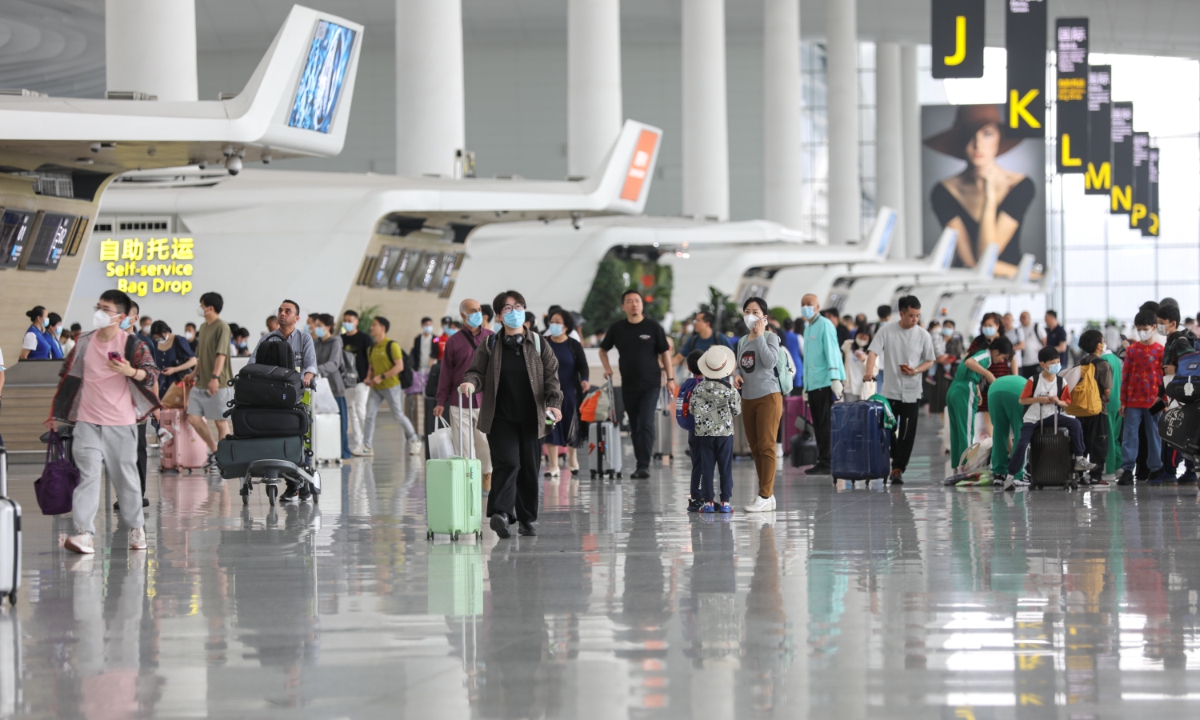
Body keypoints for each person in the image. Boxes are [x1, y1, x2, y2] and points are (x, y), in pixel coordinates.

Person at [50, 289, 160, 554]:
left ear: (121, 316)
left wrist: (129, 370)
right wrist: (57, 412)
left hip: (120, 423)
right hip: (87, 422)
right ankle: (85, 533)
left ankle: (136, 527)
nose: (99, 313)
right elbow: (67, 374)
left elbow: (151, 374)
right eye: (98, 307)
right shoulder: (84, 341)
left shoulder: (132, 343)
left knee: (126, 479)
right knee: (87, 476)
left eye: (106, 309)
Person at [460, 290, 563, 539]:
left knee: (528, 468)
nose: (514, 312)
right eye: (507, 308)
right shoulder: (490, 344)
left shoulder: (539, 344)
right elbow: (476, 371)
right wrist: (470, 383)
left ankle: (526, 519)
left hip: (532, 418)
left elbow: (552, 378)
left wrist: (554, 403)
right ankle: (502, 514)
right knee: (508, 464)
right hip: (500, 417)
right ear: (498, 316)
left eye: (518, 307)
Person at [924, 103, 1035, 277]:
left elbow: (987, 256)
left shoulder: (1020, 186)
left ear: (999, 137)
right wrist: (990, 197)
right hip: (967, 287)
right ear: (960, 141)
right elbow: (979, 262)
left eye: (987, 134)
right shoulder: (943, 192)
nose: (978, 144)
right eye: (969, 135)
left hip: (1012, 290)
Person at [599, 290, 675, 480]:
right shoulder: (617, 328)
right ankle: (640, 462)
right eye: (629, 301)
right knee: (634, 425)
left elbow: (665, 353)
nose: (634, 304)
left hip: (651, 383)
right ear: (623, 306)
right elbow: (603, 350)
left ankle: (644, 465)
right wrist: (607, 368)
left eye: (637, 301)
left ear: (642, 305)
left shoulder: (653, 327)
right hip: (629, 385)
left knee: (645, 422)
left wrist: (671, 379)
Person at [994, 347, 1095, 486]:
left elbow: (1066, 402)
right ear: (1042, 364)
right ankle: (1011, 476)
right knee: (1022, 443)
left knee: (1075, 424)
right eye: (1053, 363)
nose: (1056, 365)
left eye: (1058, 362)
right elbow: (1022, 400)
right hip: (1032, 418)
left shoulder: (1061, 382)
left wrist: (1057, 401)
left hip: (1051, 416)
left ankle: (1079, 458)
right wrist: (1038, 399)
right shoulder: (1033, 380)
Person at [862, 296, 936, 484]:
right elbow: (873, 352)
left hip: (913, 391)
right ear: (901, 313)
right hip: (890, 391)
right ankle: (894, 457)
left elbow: (930, 360)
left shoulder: (923, 335)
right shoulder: (886, 331)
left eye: (917, 316)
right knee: (888, 428)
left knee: (907, 433)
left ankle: (898, 468)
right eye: (911, 315)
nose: (915, 319)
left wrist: (916, 370)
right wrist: (869, 372)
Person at [434, 298, 495, 491]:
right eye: (472, 310)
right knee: (464, 445)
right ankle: (469, 483)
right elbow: (446, 374)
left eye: (479, 309)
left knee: (485, 443)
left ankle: (487, 475)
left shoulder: (492, 337)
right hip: (459, 402)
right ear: (463, 315)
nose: (477, 313)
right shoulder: (454, 342)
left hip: (485, 401)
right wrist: (440, 401)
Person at [733, 297, 785, 512]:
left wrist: (761, 335)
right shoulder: (742, 340)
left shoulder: (772, 337)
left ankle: (764, 494)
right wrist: (736, 375)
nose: (750, 315)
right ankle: (768, 495)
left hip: (768, 396)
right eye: (747, 311)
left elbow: (770, 361)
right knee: (755, 448)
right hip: (748, 397)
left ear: (764, 316)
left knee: (766, 445)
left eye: (755, 311)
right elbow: (739, 365)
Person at [359, 315, 421, 456]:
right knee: (369, 415)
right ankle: (367, 446)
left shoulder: (392, 345)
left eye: (374, 325)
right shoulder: (372, 348)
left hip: (391, 386)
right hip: (376, 388)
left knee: (398, 415)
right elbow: (371, 367)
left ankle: (414, 439)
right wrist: (369, 378)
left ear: (383, 328)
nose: (371, 327)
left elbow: (399, 366)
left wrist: (381, 377)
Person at [691, 345, 741, 513]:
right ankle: (725, 502)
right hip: (725, 435)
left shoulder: (698, 389)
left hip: (704, 435)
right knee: (725, 468)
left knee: (707, 468)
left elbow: (692, 409)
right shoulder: (729, 389)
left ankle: (708, 503)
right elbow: (737, 410)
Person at [799, 295, 845, 476]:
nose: (805, 307)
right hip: (813, 384)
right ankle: (823, 459)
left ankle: (828, 460)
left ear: (817, 306)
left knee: (825, 424)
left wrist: (835, 378)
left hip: (824, 383)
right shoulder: (808, 327)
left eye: (809, 304)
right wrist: (805, 385)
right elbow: (808, 359)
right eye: (802, 304)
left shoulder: (825, 324)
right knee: (818, 424)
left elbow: (832, 352)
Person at [1119, 310, 1165, 485]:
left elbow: (1165, 379)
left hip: (1155, 400)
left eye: (1145, 328)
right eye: (1139, 329)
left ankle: (1155, 469)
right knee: (1130, 434)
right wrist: (1123, 401)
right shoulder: (1131, 351)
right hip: (1132, 401)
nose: (1142, 332)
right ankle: (1128, 469)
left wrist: (1164, 400)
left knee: (1155, 434)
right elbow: (1126, 377)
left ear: (1154, 327)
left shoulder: (1161, 351)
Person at [541, 310, 589, 478]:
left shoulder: (573, 345)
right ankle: (553, 465)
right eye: (551, 321)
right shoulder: (544, 342)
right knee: (550, 426)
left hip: (570, 392)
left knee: (571, 425)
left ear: (566, 326)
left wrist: (584, 379)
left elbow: (583, 366)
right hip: (548, 394)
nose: (553, 324)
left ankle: (572, 459)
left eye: (558, 321)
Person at [188, 292, 233, 467]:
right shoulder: (204, 327)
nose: (200, 308)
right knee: (193, 417)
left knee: (221, 422)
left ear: (210, 308)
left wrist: (214, 377)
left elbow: (221, 355)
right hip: (201, 383)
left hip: (219, 383)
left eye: (202, 305)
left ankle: (223, 459)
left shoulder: (222, 327)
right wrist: (193, 374)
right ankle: (215, 450)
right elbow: (200, 356)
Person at [945, 327, 998, 468]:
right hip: (963, 390)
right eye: (1003, 357)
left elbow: (968, 372)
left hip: (956, 388)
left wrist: (977, 389)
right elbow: (970, 364)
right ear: (997, 351)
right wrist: (988, 374)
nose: (1001, 361)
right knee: (967, 431)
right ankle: (966, 465)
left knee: (957, 430)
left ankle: (957, 465)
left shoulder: (975, 353)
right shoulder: (985, 355)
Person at [1157, 304, 1197, 484]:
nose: (1159, 326)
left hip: (1180, 395)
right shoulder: (1171, 340)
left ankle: (1172, 471)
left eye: (1162, 323)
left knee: (1176, 432)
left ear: (1173, 323)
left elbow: (1192, 363)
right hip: (1172, 393)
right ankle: (1185, 471)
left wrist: (1176, 368)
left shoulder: (1179, 340)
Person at [1074, 329, 1113, 487]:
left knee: (1081, 443)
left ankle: (1080, 476)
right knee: (1098, 443)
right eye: (1103, 341)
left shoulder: (1081, 363)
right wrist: (1107, 399)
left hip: (1080, 409)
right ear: (1099, 345)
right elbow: (1107, 390)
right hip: (1098, 410)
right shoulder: (1103, 364)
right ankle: (1096, 477)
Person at [313, 314, 353, 460]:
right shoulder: (315, 343)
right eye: (315, 325)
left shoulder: (336, 342)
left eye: (319, 325)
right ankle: (325, 451)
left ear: (328, 326)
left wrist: (316, 370)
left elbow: (334, 363)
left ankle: (343, 452)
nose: (316, 328)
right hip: (319, 389)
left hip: (335, 388)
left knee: (340, 423)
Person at [254, 299, 318, 384]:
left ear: (296, 318)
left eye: (287, 311)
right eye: (280, 311)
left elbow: (311, 364)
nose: (282, 313)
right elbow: (253, 362)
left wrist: (307, 378)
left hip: (296, 388)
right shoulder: (267, 338)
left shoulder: (305, 338)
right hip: (271, 388)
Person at [987, 370, 1030, 490]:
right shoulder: (1030, 385)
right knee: (1021, 432)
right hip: (1017, 393)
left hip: (994, 390)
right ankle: (1018, 474)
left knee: (999, 432)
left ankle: (999, 473)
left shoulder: (1023, 381)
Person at [341, 310, 373, 454]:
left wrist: (369, 376)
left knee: (360, 409)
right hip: (348, 381)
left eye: (350, 320)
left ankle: (367, 443)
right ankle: (358, 442)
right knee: (351, 411)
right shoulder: (340, 339)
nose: (347, 323)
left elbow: (371, 359)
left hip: (362, 380)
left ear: (356, 322)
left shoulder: (364, 338)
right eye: (345, 320)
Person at [680, 350, 706, 512]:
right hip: (704, 431)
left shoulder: (687, 384)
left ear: (689, 368)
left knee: (697, 463)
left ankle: (700, 495)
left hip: (692, 430)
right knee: (702, 464)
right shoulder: (707, 385)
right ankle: (698, 497)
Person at [149, 320, 196, 398]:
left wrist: (175, 369)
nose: (159, 339)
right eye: (157, 337)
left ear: (167, 331)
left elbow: (193, 361)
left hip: (176, 383)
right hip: (159, 384)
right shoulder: (154, 343)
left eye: (161, 336)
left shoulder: (178, 340)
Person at [842, 327, 872, 403]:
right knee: (850, 410)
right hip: (849, 385)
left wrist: (864, 360)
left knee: (863, 411)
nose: (862, 340)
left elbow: (875, 370)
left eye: (865, 338)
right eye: (860, 337)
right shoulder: (848, 344)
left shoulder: (872, 350)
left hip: (864, 386)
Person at [1018, 311, 1045, 378]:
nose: (1022, 320)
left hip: (1035, 361)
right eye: (1021, 318)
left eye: (1024, 317)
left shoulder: (1036, 327)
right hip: (1023, 362)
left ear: (1029, 318)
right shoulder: (1018, 329)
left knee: (1036, 381)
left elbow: (1044, 340)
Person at [780, 318, 803, 394]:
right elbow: (803, 352)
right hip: (797, 365)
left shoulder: (780, 336)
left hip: (784, 367)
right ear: (793, 327)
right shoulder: (798, 337)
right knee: (797, 393)